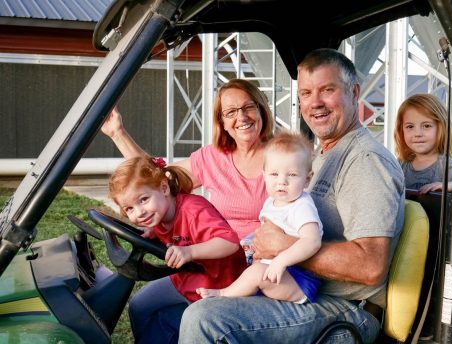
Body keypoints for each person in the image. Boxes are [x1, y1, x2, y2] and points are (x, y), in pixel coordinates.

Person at [178, 48, 406, 344]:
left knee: (204, 319)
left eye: (328, 90)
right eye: (307, 93)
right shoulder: (323, 155)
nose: (315, 103)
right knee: (199, 302)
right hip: (305, 290)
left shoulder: (364, 160)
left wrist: (282, 246)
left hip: (345, 310)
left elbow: (371, 266)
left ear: (354, 93)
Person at [101, 78, 273, 240]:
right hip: (218, 260)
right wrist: (117, 133)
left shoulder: (283, 155)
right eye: (231, 112)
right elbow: (155, 177)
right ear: (222, 122)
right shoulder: (213, 157)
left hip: (266, 263)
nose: (242, 117)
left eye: (249, 107)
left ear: (261, 110)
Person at [108, 156, 247, 344]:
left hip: (217, 286)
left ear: (164, 188)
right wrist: (153, 232)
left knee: (176, 322)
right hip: (187, 279)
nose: (139, 212)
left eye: (143, 199)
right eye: (130, 208)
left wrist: (189, 252)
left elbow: (229, 242)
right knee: (139, 305)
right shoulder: (158, 215)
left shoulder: (193, 210)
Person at [197, 131, 323, 303]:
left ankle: (223, 295)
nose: (282, 181)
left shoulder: (301, 206)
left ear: (307, 179)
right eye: (274, 174)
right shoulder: (272, 202)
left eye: (292, 175)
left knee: (256, 274)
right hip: (276, 271)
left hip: (299, 279)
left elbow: (312, 241)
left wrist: (281, 261)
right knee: (244, 268)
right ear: (263, 175)